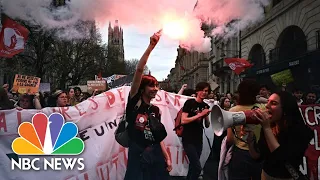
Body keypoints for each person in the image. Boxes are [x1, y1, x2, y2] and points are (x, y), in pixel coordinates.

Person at [124, 31, 172, 180]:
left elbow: (158, 137)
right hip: (138, 155)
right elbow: (139, 69)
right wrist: (151, 46)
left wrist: (167, 157)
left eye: (157, 86)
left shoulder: (155, 110)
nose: (156, 89)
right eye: (151, 86)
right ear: (142, 88)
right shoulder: (134, 103)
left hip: (155, 155)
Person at [247, 91, 314, 179]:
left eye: (273, 103)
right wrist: (250, 141)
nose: (267, 106)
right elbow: (258, 157)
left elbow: (280, 158)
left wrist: (266, 128)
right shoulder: (269, 128)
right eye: (268, 102)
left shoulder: (300, 132)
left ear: (285, 108)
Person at [227, 79, 265, 180]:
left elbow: (230, 139)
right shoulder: (263, 108)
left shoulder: (232, 111)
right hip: (261, 151)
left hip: (240, 153)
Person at [181, 82, 211, 180]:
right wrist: (199, 115)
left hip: (198, 139)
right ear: (197, 91)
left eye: (206, 91)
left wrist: (206, 117)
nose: (204, 93)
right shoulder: (190, 103)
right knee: (197, 168)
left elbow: (207, 125)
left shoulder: (206, 105)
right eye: (202, 90)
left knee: (193, 167)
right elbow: (183, 120)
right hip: (188, 138)